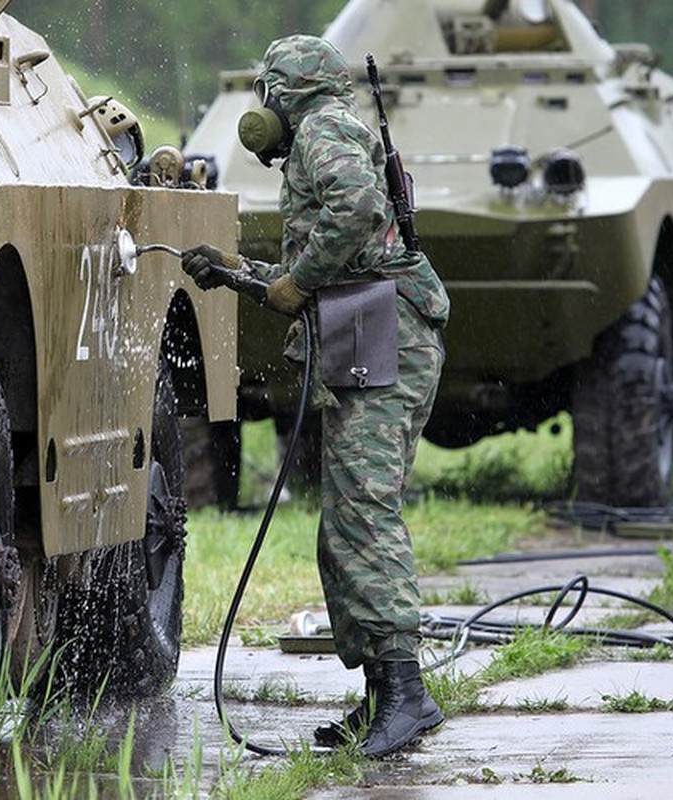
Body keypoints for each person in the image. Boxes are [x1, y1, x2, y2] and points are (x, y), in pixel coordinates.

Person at [180, 35, 450, 758]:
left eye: (266, 96)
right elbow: (327, 263)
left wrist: (294, 283)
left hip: (383, 336)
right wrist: (238, 272)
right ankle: (382, 699)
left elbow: (355, 214)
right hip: (373, 333)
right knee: (343, 525)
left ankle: (406, 696)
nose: (260, 113)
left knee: (363, 516)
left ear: (286, 94)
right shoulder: (333, 131)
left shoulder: (323, 129)